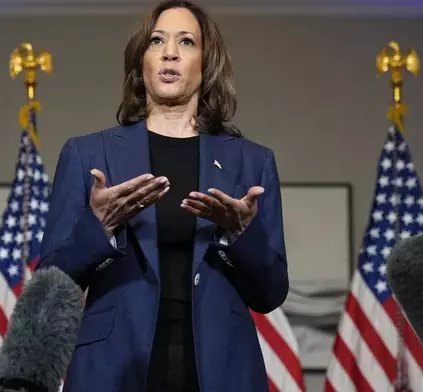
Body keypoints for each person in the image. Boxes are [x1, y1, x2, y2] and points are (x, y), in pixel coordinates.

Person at [37, 1, 289, 391]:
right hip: (114, 367)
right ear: (142, 61)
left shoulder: (251, 162)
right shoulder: (87, 154)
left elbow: (271, 294)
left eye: (186, 41)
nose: (170, 52)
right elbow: (48, 289)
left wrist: (241, 232)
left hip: (221, 368)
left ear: (207, 64)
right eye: (157, 41)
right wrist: (98, 226)